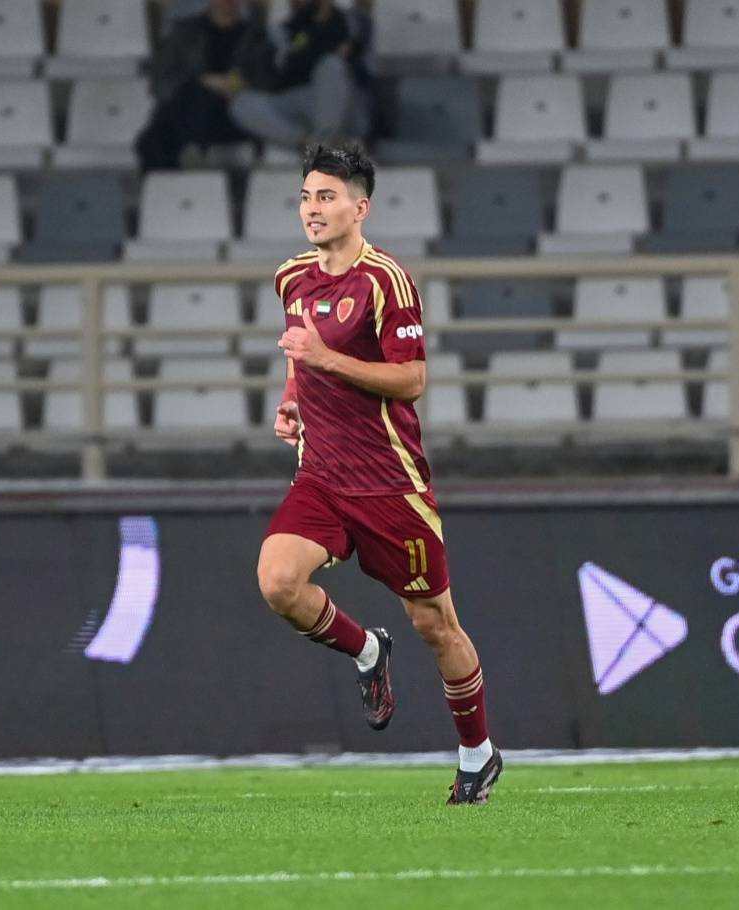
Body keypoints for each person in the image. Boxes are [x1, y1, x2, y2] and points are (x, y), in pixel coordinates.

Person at [259, 144, 500, 804]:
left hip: (391, 485)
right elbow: (298, 351)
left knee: (436, 626)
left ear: (359, 208)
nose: (313, 208)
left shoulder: (386, 281)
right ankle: (367, 650)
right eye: (307, 196)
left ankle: (477, 754)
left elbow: (412, 379)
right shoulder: (291, 278)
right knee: (278, 581)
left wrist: (327, 361)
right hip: (322, 477)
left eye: (327, 196)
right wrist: (290, 398)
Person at [134, 0, 276, 171]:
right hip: (189, 107)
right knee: (158, 138)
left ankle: (183, 165)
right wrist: (203, 81)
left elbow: (268, 84)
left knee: (159, 136)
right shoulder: (184, 33)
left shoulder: (255, 38)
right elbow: (160, 82)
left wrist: (240, 85)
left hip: (232, 113)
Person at [230, 0, 375, 148]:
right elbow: (281, 67)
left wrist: (306, 55)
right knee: (241, 103)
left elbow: (359, 61)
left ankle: (327, 139)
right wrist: (319, 51)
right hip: (301, 100)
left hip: (343, 103)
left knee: (331, 65)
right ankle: (308, 143)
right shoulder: (288, 28)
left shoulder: (351, 23)